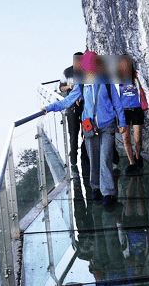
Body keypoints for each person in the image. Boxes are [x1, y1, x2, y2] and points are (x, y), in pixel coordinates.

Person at [41, 51, 126, 206]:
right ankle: (95, 188)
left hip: (107, 125)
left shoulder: (106, 82)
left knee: (105, 158)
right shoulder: (81, 85)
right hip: (89, 126)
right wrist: (49, 107)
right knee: (94, 158)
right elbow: (67, 102)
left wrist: (122, 122)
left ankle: (108, 193)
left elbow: (117, 103)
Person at [117, 55, 149, 174]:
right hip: (123, 112)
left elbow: (146, 90)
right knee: (126, 138)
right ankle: (132, 162)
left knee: (137, 139)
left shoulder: (136, 74)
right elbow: (114, 95)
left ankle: (138, 155)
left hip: (136, 110)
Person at [59, 51, 88, 172]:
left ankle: (85, 157)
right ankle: (73, 162)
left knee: (87, 130)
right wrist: (70, 87)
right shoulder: (67, 72)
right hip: (72, 108)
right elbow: (61, 88)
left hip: (86, 107)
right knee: (73, 133)